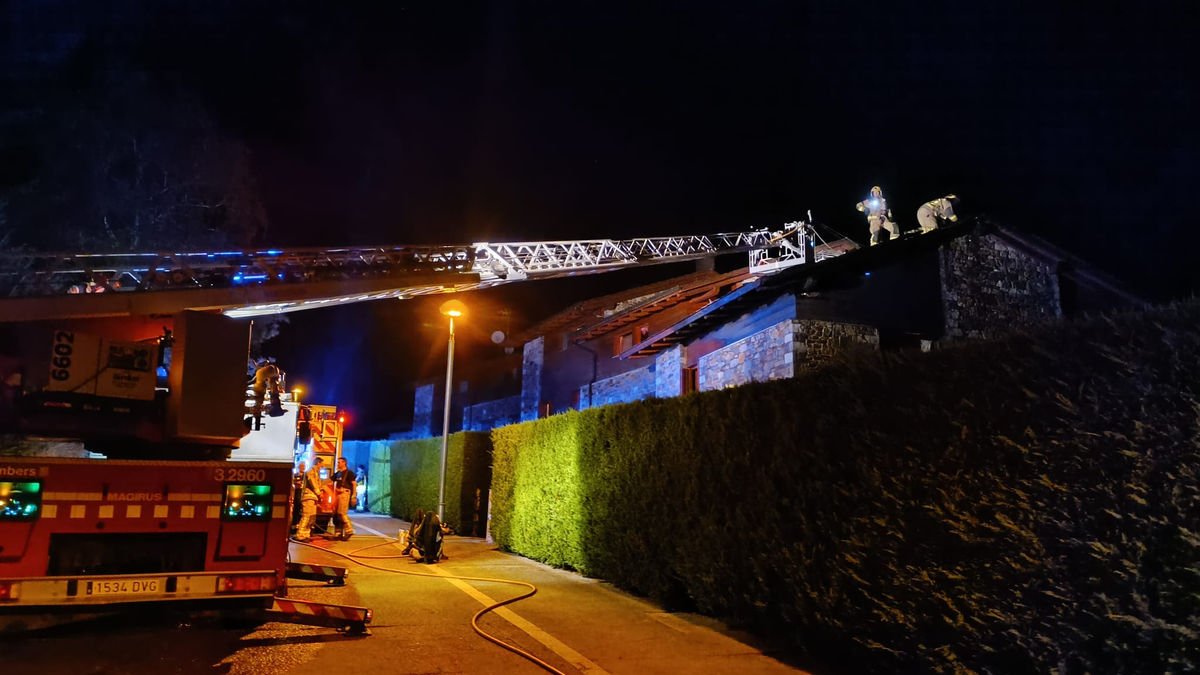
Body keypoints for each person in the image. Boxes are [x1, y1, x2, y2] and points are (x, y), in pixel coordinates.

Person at [293, 457, 323, 542]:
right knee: (306, 516)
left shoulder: (316, 473)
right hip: (308, 496)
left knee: (311, 517)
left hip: (313, 497)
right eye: (321, 464)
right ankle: (300, 535)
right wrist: (319, 493)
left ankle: (306, 534)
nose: (322, 466)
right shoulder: (311, 472)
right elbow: (313, 483)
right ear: (318, 463)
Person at [331, 457, 356, 541]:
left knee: (342, 513)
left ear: (344, 463)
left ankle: (349, 530)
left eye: (339, 462)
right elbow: (330, 480)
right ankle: (338, 532)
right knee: (336, 514)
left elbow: (354, 484)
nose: (337, 464)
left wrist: (354, 496)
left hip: (344, 493)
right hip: (337, 494)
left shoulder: (349, 473)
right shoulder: (338, 473)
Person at [250, 359, 279, 429]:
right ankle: (258, 409)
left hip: (270, 372)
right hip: (272, 371)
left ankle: (258, 409)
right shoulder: (260, 373)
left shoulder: (260, 373)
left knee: (260, 390)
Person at [290, 460, 307, 532]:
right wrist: (297, 483)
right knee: (296, 510)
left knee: (303, 511)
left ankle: (302, 525)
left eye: (304, 466)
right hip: (297, 493)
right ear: (298, 467)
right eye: (301, 466)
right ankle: (294, 525)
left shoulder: (306, 475)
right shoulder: (295, 475)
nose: (303, 467)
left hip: (304, 494)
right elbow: (292, 483)